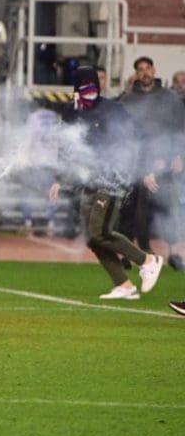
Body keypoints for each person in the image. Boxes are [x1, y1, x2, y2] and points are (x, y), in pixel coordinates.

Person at [48, 67, 164, 300]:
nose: (90, 92)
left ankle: (148, 260)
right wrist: (60, 178)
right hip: (88, 180)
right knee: (92, 238)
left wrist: (146, 169)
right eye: (84, 88)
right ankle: (124, 284)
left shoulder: (113, 109)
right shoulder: (70, 112)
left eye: (93, 87)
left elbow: (140, 137)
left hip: (113, 177)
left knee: (100, 232)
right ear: (75, 90)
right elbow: (66, 146)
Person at [118, 56, 183, 268]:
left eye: (148, 68)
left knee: (170, 207)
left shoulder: (170, 98)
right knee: (131, 210)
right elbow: (122, 133)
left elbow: (180, 128)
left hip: (166, 162)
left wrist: (178, 155)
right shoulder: (127, 100)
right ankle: (129, 254)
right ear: (136, 74)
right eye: (140, 69)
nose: (145, 72)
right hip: (136, 163)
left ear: (154, 71)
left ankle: (174, 253)